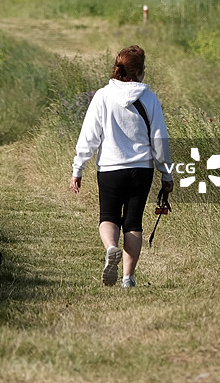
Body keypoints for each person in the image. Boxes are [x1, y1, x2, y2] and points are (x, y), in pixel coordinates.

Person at [70, 45, 173, 288]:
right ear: (138, 72)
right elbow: (159, 140)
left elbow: (89, 136)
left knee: (108, 216)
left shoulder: (103, 96)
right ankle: (128, 278)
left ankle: (111, 247)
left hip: (110, 168)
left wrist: (78, 168)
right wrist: (166, 172)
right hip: (141, 169)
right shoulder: (149, 98)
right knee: (133, 223)